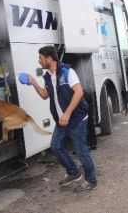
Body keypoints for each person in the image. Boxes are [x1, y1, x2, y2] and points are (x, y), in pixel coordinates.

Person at [28, 46, 97, 192]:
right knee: (56, 146)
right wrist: (34, 83)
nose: (38, 61)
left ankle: (91, 180)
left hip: (76, 118)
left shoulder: (67, 72)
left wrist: (67, 113)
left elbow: (78, 92)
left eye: (40, 57)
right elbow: (44, 95)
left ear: (49, 58)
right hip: (62, 120)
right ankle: (73, 172)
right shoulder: (47, 76)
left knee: (81, 151)